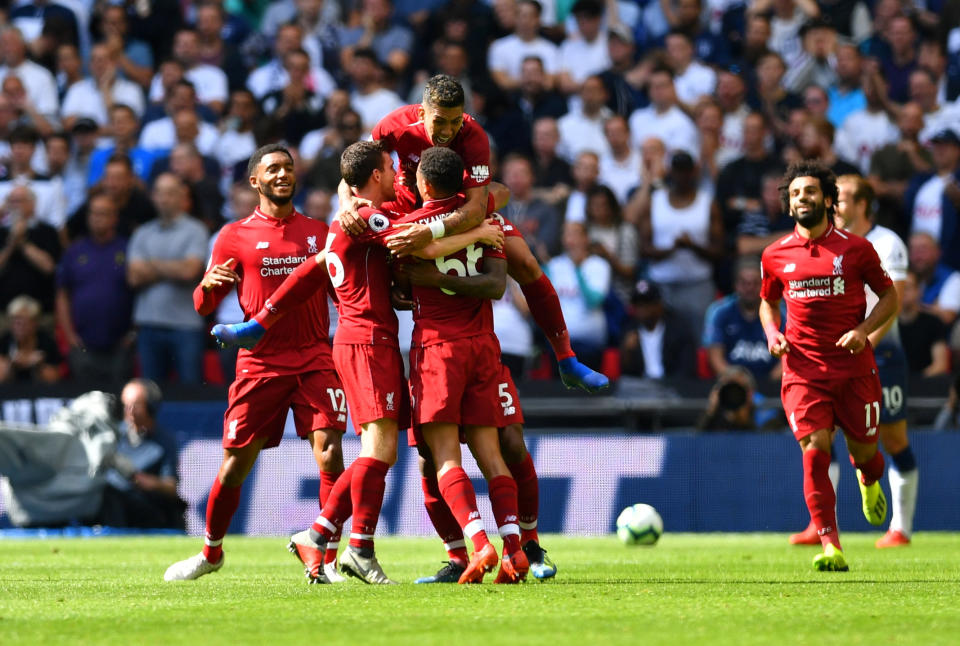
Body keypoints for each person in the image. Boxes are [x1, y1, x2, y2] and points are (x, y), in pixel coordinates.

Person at [335, 74, 608, 392]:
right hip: (409, 209)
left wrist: (433, 232)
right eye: (441, 122)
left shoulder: (474, 135)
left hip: (459, 207)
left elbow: (477, 210)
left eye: (455, 121)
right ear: (422, 113)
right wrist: (345, 203)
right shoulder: (393, 125)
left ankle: (566, 359)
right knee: (383, 263)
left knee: (527, 263)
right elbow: (356, 168)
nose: (449, 131)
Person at [163, 144, 347, 582]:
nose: (283, 174)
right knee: (235, 464)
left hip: (315, 356)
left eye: (288, 167)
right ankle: (211, 552)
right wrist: (207, 286)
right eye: (273, 169)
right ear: (255, 181)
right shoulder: (233, 236)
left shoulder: (319, 233)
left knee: (331, 453)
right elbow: (203, 303)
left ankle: (325, 560)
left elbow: (341, 293)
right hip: (260, 363)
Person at [759, 160, 898, 571]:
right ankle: (830, 544)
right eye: (797, 193)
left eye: (812, 191)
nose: (804, 198)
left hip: (855, 369)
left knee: (866, 453)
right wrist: (772, 334)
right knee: (815, 452)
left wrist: (864, 330)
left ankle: (869, 477)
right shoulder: (774, 254)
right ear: (789, 205)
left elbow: (890, 298)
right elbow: (767, 302)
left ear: (828, 199)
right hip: (803, 371)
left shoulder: (856, 249)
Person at [127, 173, 208, 385]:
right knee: (149, 395)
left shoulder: (196, 231)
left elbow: (190, 271)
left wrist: (151, 265)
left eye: (170, 193)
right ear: (153, 196)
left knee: (191, 394)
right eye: (159, 193)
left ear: (182, 197)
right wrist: (173, 266)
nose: (164, 199)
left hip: (186, 326)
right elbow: (133, 277)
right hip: (149, 325)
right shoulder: (143, 232)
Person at [99, 379, 185, 529]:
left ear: (151, 407)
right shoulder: (113, 435)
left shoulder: (164, 442)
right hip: (110, 502)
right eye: (126, 405)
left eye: (136, 405)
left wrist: (143, 481)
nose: (129, 411)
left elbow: (171, 487)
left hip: (145, 506)